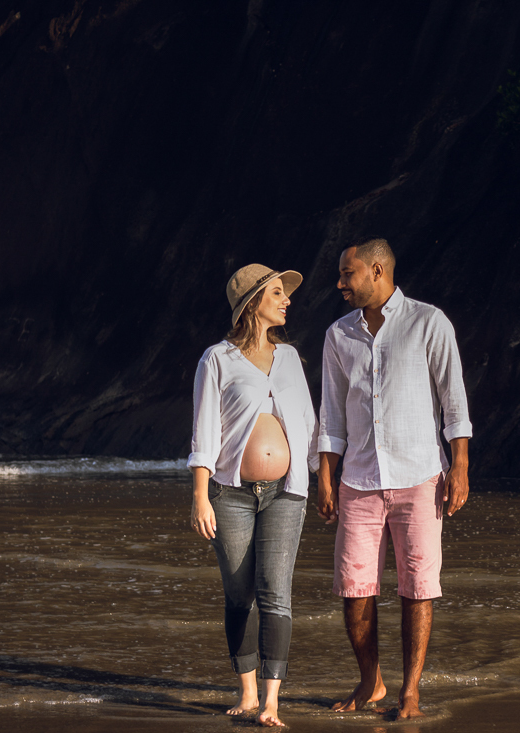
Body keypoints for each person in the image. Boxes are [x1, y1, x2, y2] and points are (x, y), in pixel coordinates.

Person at [316, 237, 472, 719]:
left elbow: (454, 402)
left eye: (349, 273)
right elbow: (332, 415)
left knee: (417, 587)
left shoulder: (429, 322)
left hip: (421, 476)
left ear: (378, 271)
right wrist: (325, 476)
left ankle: (410, 691)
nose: (340, 282)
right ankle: (372, 682)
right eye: (341, 274)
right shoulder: (338, 335)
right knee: (354, 589)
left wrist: (460, 467)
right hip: (358, 480)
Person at [188, 263, 318, 727]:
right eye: (278, 293)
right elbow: (204, 431)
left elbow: (308, 424)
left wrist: (322, 481)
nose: (287, 300)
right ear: (252, 303)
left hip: (286, 493)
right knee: (240, 594)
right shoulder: (217, 359)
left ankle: (271, 703)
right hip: (231, 494)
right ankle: (245, 692)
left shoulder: (290, 358)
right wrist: (200, 497)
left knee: (276, 594)